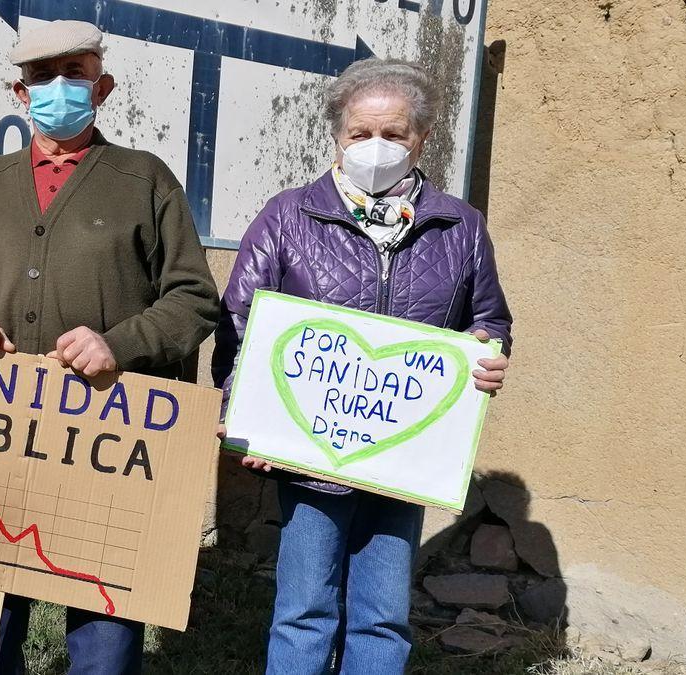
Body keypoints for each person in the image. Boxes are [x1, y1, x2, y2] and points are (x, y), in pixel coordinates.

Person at [0, 19, 220, 675]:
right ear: (19, 92)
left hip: (106, 436)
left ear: (103, 86)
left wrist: (118, 343)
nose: (58, 87)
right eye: (41, 76)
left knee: (102, 610)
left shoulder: (144, 180)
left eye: (75, 73)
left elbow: (195, 298)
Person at [211, 58, 513, 674]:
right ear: (337, 136)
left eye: (394, 134)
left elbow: (490, 320)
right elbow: (239, 323)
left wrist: (488, 354)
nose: (376, 147)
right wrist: (245, 416)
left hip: (402, 459)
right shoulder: (289, 216)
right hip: (309, 454)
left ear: (421, 138)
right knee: (304, 611)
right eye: (360, 133)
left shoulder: (461, 227)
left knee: (383, 618)